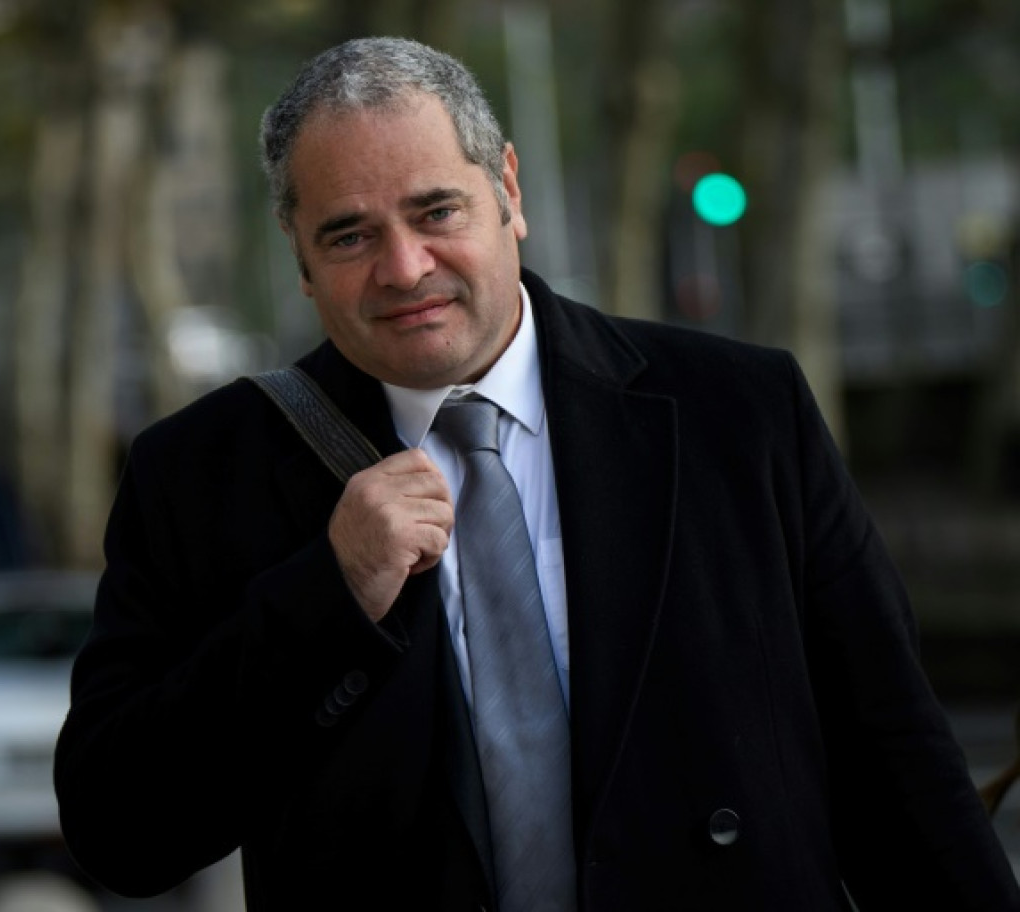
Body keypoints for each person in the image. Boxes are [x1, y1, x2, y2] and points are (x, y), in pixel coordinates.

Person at [54, 36, 1020, 911]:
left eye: (437, 210)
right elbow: (121, 834)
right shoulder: (200, 475)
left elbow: (897, 769)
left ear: (508, 191)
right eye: (348, 235)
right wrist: (327, 595)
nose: (404, 266)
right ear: (298, 259)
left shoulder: (739, 414)